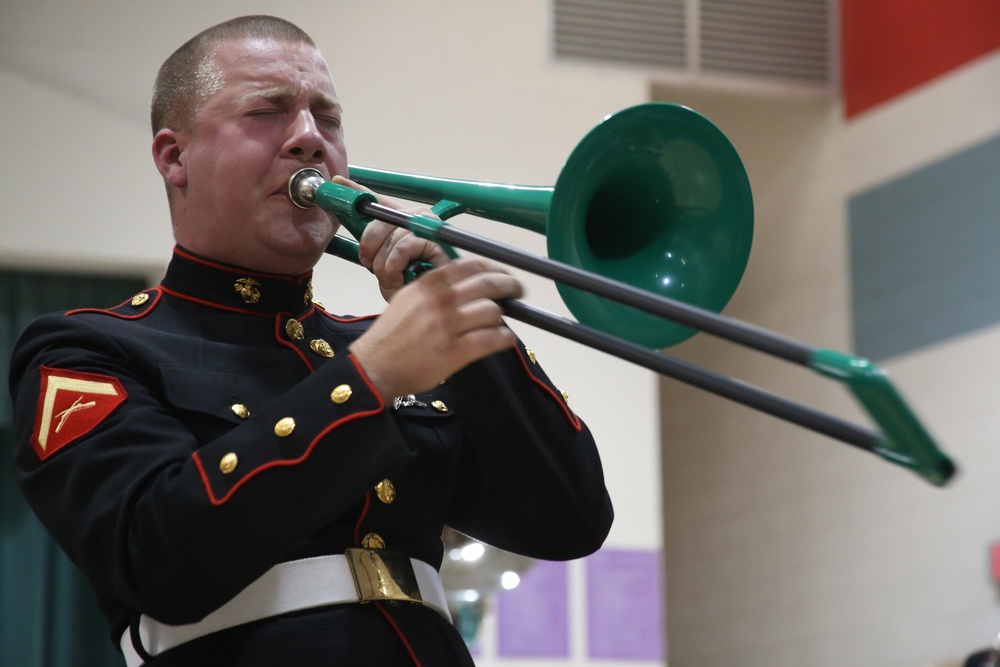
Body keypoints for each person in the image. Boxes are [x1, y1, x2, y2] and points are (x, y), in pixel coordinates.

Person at [7, 14, 613, 667]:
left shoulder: (392, 341)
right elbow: (158, 557)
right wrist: (370, 379)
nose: (307, 137)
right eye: (267, 112)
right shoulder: (88, 349)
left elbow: (569, 518)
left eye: (327, 117)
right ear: (174, 156)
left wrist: (476, 341)